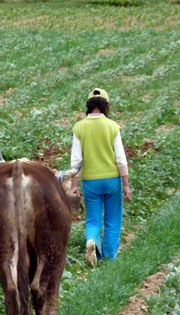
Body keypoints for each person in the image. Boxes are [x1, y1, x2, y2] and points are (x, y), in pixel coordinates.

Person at [62, 88, 131, 266]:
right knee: (113, 219)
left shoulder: (79, 128)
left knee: (93, 219)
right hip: (112, 180)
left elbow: (76, 161)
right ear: (105, 106)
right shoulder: (113, 126)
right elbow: (121, 159)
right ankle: (109, 257)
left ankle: (92, 242)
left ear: (89, 106)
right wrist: (126, 185)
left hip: (90, 181)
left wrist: (75, 185)